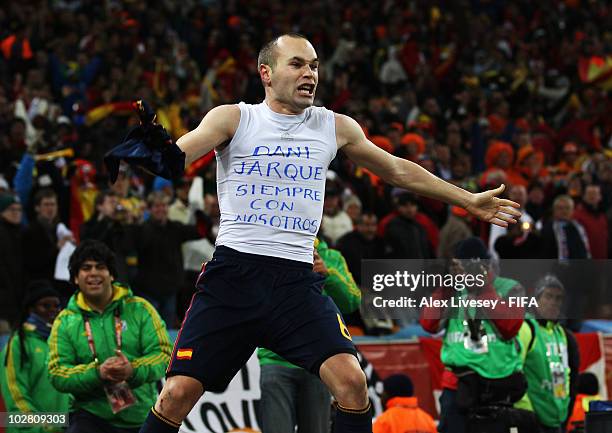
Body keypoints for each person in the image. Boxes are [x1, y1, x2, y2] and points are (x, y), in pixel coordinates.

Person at [115, 34, 521, 433]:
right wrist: (159, 147)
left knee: (352, 383)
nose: (310, 73)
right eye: (297, 64)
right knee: (176, 395)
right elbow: (176, 157)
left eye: (314, 66)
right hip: (234, 277)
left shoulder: (334, 126)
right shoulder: (234, 118)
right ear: (266, 74)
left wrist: (466, 199)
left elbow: (397, 169)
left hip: (296, 281)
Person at [48, 240, 172, 433]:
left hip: (141, 415)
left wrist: (133, 370)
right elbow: (57, 372)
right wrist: (97, 373)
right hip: (90, 416)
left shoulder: (141, 309)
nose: (93, 273)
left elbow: (164, 354)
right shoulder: (64, 321)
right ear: (75, 278)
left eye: (100, 267)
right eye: (86, 268)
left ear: (111, 274)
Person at [419, 237, 529, 433]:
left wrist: (483, 288)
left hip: (496, 386)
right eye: (462, 265)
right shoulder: (451, 289)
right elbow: (429, 324)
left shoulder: (510, 287)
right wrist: (447, 286)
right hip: (457, 385)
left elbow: (510, 326)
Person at [258, 238, 361, 433]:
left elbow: (352, 301)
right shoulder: (270, 248)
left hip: (319, 361)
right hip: (276, 360)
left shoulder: (331, 257)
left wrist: (327, 274)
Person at [0, 280, 69, 433]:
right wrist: (43, 426)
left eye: (56, 305)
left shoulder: (62, 342)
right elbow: (15, 394)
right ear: (31, 309)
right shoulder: (18, 343)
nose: (53, 310)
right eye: (45, 305)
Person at [516, 275, 579, 433]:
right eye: (548, 296)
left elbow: (568, 375)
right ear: (536, 300)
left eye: (558, 299)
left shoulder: (562, 334)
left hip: (558, 420)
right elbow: (514, 371)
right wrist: (526, 413)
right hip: (532, 420)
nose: (553, 303)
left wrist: (565, 413)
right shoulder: (526, 328)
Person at [372, 374, 437, 433]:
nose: (381, 397)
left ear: (389, 394)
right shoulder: (428, 420)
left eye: (383, 392)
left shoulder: (384, 421)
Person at [0, 192, 24, 328]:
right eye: (12, 209)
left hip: (17, 300)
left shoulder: (21, 232)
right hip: (5, 303)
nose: (16, 213)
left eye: (19, 209)